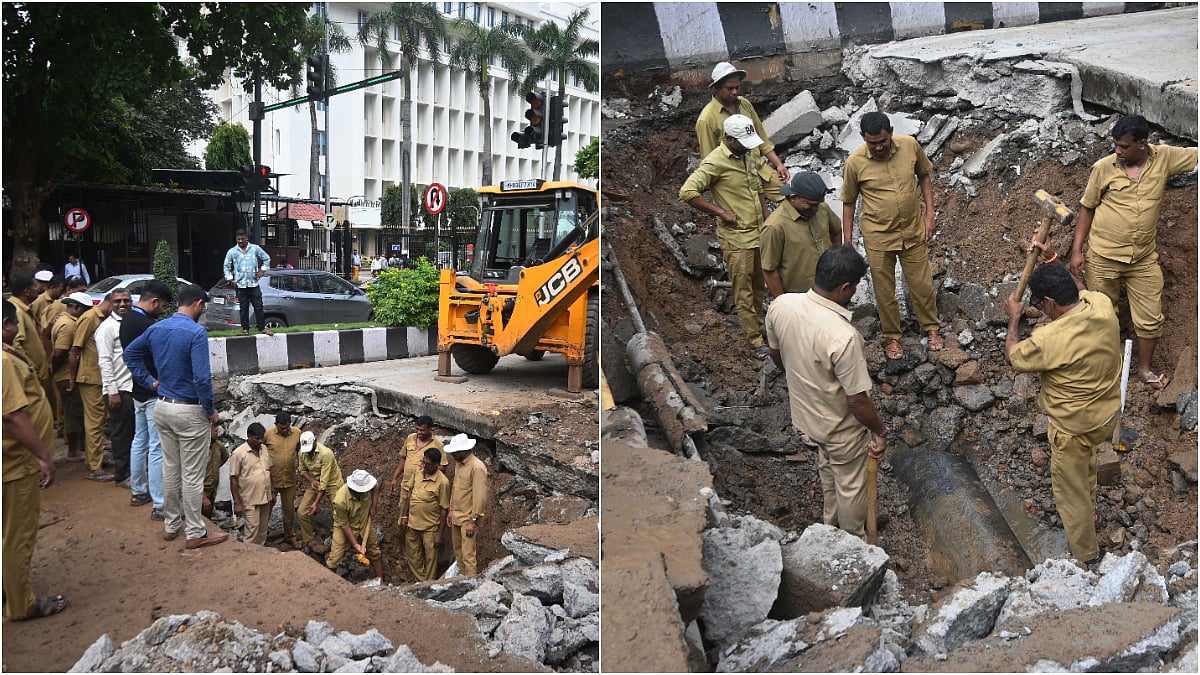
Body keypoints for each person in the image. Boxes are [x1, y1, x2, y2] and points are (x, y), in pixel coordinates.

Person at [1004, 245, 1121, 566]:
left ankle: (1089, 556)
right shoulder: (1101, 305)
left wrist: (1014, 319)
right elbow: (1080, 288)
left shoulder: (1049, 338)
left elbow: (1014, 356)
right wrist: (1052, 258)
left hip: (1074, 428)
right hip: (1107, 415)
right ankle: (1092, 507)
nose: (1039, 310)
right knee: (1087, 467)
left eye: (1039, 305)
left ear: (1050, 303)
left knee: (1070, 495)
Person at [765, 246, 890, 538]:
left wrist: (803, 373)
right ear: (846, 287)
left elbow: (775, 352)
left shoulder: (782, 305)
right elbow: (858, 401)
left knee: (827, 469)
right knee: (850, 484)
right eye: (855, 287)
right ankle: (853, 539)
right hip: (839, 428)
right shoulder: (843, 336)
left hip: (806, 418)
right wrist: (880, 431)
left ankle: (828, 526)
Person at [1068, 115, 1198, 390]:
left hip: (1142, 260)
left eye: (1124, 146)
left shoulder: (1164, 158)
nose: (1118, 151)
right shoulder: (1103, 168)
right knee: (1103, 315)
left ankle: (1144, 369)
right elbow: (1087, 207)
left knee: (1150, 318)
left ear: (1142, 143)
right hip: (1102, 258)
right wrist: (1077, 251)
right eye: (1115, 145)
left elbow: (1195, 156)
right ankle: (1109, 368)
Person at [123, 283, 227, 550]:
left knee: (171, 469)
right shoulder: (195, 332)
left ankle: (170, 525)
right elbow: (202, 378)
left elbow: (130, 354)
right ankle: (194, 531)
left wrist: (149, 381)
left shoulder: (156, 328)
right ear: (199, 305)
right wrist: (209, 411)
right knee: (192, 475)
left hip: (162, 406)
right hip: (189, 410)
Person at [841, 111, 943, 359]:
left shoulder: (910, 146)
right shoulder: (854, 163)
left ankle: (931, 328)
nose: (877, 147)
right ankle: (892, 338)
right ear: (863, 138)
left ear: (891, 133)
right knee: (885, 291)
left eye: (882, 141)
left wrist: (930, 215)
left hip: (912, 230)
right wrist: (847, 242)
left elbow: (925, 176)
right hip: (878, 236)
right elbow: (848, 202)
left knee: (922, 284)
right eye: (871, 143)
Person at [680, 114, 772, 358]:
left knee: (759, 286)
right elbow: (687, 191)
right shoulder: (715, 162)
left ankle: (764, 329)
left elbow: (758, 190)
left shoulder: (748, 154)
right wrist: (720, 212)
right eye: (743, 141)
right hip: (737, 239)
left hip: (758, 233)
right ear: (729, 139)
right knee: (744, 290)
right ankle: (755, 341)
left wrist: (767, 220)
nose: (748, 145)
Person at [2, 299, 68, 621]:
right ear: (5, 324)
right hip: (15, 465)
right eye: (14, 326)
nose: (17, 332)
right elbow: (12, 418)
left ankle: (9, 588)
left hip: (10, 462)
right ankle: (21, 605)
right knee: (18, 536)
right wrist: (44, 456)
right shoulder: (3, 362)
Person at [695, 61, 789, 204]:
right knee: (752, 216)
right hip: (736, 178)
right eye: (729, 88)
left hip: (760, 170)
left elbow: (761, 138)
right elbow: (709, 162)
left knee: (791, 197)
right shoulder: (706, 120)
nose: (734, 92)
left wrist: (779, 164)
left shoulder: (744, 105)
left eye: (737, 87)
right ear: (717, 88)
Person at [120, 279, 173, 519]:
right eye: (162, 306)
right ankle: (160, 504)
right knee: (156, 448)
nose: (162, 311)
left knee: (138, 441)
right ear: (153, 301)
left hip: (137, 392)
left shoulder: (128, 319)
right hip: (151, 393)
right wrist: (152, 381)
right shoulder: (146, 325)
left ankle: (139, 491)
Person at [761, 172, 843, 297]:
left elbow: (836, 230)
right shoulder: (775, 226)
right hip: (799, 298)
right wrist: (783, 303)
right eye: (810, 205)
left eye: (818, 204)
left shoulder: (822, 208)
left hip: (829, 289)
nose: (816, 209)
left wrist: (836, 257)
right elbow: (769, 270)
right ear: (793, 197)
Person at [70, 292, 113, 482]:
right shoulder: (89, 318)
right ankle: (95, 467)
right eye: (118, 302)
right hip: (90, 378)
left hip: (99, 377)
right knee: (94, 423)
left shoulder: (101, 318)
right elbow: (75, 350)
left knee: (99, 421)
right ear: (109, 303)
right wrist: (72, 378)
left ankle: (97, 459)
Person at [95, 288, 134, 488]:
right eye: (118, 301)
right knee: (120, 434)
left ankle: (133, 471)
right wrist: (112, 391)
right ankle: (122, 474)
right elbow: (105, 361)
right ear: (111, 303)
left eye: (126, 301)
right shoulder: (107, 328)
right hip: (118, 390)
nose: (122, 304)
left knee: (134, 433)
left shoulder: (131, 323)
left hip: (133, 387)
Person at [50, 293, 91, 461]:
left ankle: (80, 445)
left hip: (66, 373)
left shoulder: (64, 320)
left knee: (75, 411)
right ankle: (73, 450)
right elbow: (59, 352)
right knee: (73, 412)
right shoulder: (68, 325)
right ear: (76, 308)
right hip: (67, 375)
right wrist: (56, 368)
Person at [401, 447, 450, 582]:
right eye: (423, 462)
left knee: (430, 558)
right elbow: (409, 494)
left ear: (436, 465)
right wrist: (405, 515)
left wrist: (440, 534)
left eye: (427, 464)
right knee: (413, 554)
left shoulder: (443, 482)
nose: (424, 465)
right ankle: (422, 581)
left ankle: (428, 585)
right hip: (412, 523)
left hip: (430, 527)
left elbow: (444, 510)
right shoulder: (418, 471)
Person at [326, 469, 383, 580]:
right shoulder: (340, 501)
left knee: (375, 551)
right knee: (335, 557)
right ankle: (328, 583)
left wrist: (373, 506)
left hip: (364, 521)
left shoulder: (369, 484)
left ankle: (381, 580)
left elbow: (376, 487)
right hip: (345, 525)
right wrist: (356, 545)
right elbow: (344, 524)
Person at [446, 433, 488, 576]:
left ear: (464, 450)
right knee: (458, 553)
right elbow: (455, 487)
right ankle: (461, 581)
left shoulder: (477, 467)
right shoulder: (459, 464)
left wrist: (473, 520)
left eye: (455, 452)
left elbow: (479, 496)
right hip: (457, 515)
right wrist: (451, 509)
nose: (452, 455)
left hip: (468, 519)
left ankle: (470, 583)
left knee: (468, 555)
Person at [297, 430, 344, 555]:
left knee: (339, 512)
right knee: (302, 512)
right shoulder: (302, 452)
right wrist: (311, 480)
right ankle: (309, 539)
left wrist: (316, 503)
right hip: (317, 482)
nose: (308, 452)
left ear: (315, 442)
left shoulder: (326, 454)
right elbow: (302, 470)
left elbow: (325, 483)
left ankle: (340, 542)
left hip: (333, 483)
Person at [229, 422, 273, 546]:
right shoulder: (239, 454)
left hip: (265, 497)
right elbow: (233, 479)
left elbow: (269, 470)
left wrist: (272, 492)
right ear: (248, 436)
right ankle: (248, 557)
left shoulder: (264, 449)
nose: (260, 441)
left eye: (262, 438)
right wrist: (237, 503)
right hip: (250, 499)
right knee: (252, 531)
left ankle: (259, 558)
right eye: (257, 438)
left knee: (262, 531)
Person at [222, 229, 273, 337]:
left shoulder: (255, 248)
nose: (240, 241)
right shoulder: (232, 251)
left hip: (253, 284)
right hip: (240, 285)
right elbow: (226, 266)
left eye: (242, 238)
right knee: (243, 308)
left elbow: (267, 258)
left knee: (258, 307)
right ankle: (245, 329)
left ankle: (262, 328)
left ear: (246, 238)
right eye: (238, 239)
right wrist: (231, 279)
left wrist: (262, 271)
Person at [388, 415, 447, 508]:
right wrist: (395, 478)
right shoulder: (410, 438)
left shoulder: (437, 445)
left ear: (430, 429)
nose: (419, 432)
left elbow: (443, 467)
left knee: (417, 514)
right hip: (406, 486)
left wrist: (426, 468)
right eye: (417, 429)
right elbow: (403, 458)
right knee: (403, 513)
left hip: (422, 490)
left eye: (422, 430)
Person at [263, 412, 301, 549]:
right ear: (276, 425)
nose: (285, 430)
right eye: (281, 428)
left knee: (289, 511)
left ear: (290, 423)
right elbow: (260, 451)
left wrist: (299, 472)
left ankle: (290, 536)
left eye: (287, 428)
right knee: (266, 509)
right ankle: (261, 537)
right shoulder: (268, 434)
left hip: (289, 478)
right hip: (272, 479)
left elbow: (300, 452)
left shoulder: (297, 433)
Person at [203, 424, 230, 518]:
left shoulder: (219, 445)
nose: (217, 432)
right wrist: (203, 497)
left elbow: (225, 456)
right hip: (200, 490)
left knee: (208, 515)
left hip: (213, 488)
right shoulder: (199, 448)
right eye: (214, 430)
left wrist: (214, 468)